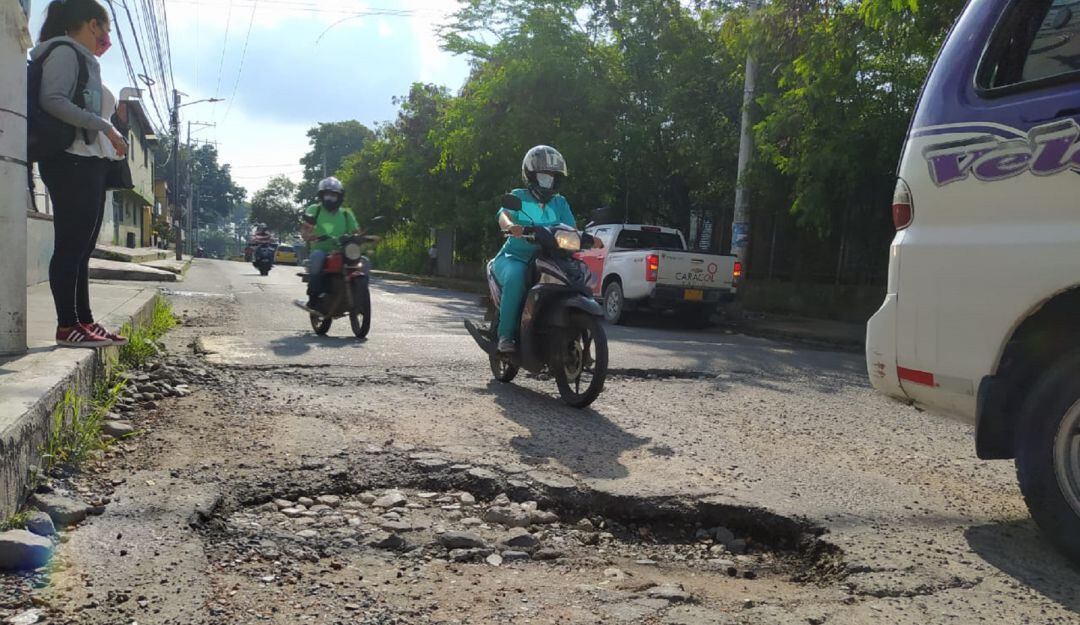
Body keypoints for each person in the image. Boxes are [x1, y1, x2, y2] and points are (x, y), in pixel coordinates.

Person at [32, 0, 129, 348]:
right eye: (104, 30)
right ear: (91, 24)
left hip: (88, 162)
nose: (106, 39)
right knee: (71, 246)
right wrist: (104, 125)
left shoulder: (80, 56)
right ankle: (66, 326)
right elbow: (53, 100)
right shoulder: (64, 52)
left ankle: (83, 321)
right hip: (70, 160)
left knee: (83, 249)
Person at [491, 145, 602, 353]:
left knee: (578, 277)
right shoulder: (520, 197)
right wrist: (509, 225)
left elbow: (571, 229)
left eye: (552, 176)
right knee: (516, 279)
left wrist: (588, 239)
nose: (548, 180)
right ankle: (505, 337)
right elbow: (503, 214)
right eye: (543, 176)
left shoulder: (560, 203)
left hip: (551, 258)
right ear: (532, 176)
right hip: (516, 257)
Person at [298, 177, 358, 310]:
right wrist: (310, 236)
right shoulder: (315, 209)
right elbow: (305, 229)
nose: (330, 198)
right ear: (321, 195)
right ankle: (313, 297)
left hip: (343, 250)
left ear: (339, 196)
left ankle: (359, 293)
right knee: (317, 258)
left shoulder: (347, 213)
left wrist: (360, 237)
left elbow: (355, 231)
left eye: (333, 195)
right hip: (321, 249)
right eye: (327, 195)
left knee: (363, 262)